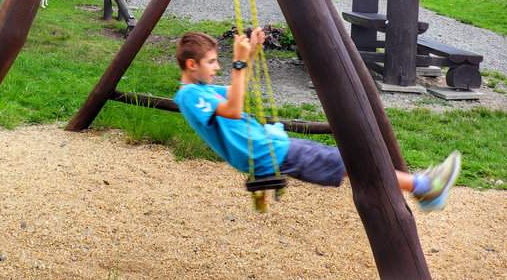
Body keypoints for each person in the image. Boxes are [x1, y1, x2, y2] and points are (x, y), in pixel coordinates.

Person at [174, 29, 461, 211]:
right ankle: (426, 188)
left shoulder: (201, 89)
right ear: (191, 65)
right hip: (260, 151)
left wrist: (249, 57)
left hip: (267, 145)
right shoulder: (188, 97)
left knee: (347, 161)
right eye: (211, 62)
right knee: (350, 163)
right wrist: (238, 63)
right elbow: (234, 109)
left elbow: (233, 91)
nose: (217, 66)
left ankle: (422, 187)